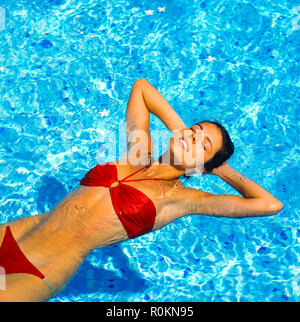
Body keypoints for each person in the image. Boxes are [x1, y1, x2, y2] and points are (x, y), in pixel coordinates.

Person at [0, 78, 283, 302]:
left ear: (205, 166)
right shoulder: (138, 154)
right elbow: (142, 88)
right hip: (17, 232)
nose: (192, 137)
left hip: (41, 271)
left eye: (203, 144)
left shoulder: (183, 199)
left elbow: (269, 205)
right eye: (194, 130)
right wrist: (184, 134)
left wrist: (217, 167)